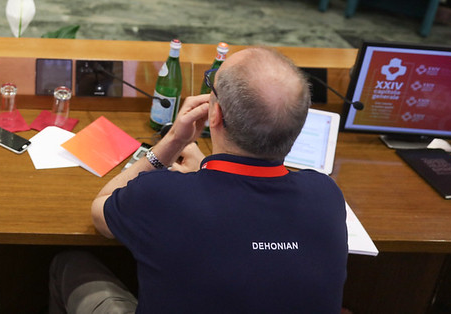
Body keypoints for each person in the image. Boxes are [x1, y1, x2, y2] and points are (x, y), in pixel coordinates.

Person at [51, 47, 346, 313]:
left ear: (214, 113)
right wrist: (204, 172)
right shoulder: (326, 196)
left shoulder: (162, 195)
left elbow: (100, 209)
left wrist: (173, 141)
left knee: (68, 264)